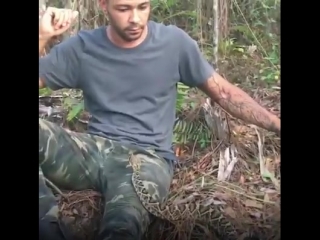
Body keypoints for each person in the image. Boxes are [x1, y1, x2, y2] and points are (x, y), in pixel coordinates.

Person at [38, 0, 281, 240]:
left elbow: (224, 93)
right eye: (124, 9)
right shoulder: (84, 47)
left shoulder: (173, 43)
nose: (135, 18)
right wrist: (41, 36)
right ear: (104, 5)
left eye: (142, 7)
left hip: (147, 158)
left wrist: (275, 123)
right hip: (92, 150)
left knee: (123, 225)